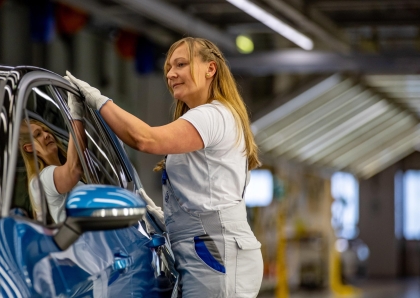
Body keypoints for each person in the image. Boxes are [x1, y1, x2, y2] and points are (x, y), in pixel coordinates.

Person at [65, 37, 263, 297]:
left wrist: (98, 101)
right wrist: (169, 218)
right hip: (208, 251)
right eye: (168, 68)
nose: (171, 74)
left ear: (210, 69)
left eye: (181, 64)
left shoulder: (213, 115)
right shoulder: (211, 116)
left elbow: (144, 139)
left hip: (215, 253)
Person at [19, 96, 85, 224]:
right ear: (29, 148)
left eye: (45, 130)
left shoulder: (51, 174)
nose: (47, 135)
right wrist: (76, 116)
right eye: (38, 134)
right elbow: (73, 171)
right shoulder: (44, 178)